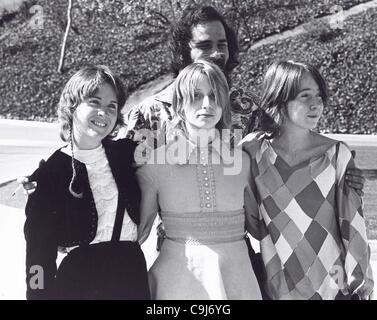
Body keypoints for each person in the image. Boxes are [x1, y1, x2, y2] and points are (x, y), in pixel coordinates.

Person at [124, 4, 366, 252]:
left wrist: (339, 169)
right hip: (177, 251)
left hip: (237, 248)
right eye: (205, 46)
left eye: (222, 44)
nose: (217, 53)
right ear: (183, 52)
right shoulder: (149, 115)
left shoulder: (247, 108)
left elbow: (288, 154)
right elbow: (125, 185)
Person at [242, 60, 374, 300]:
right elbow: (252, 221)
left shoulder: (336, 155)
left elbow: (353, 227)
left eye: (319, 96)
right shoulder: (253, 153)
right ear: (280, 99)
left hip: (335, 286)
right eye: (305, 96)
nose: (316, 104)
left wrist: (361, 287)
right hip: (279, 287)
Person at [136, 60, 262, 299]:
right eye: (195, 95)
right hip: (176, 284)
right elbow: (136, 235)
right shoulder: (154, 166)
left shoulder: (244, 163)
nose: (207, 104)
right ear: (179, 106)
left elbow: (262, 229)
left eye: (214, 96)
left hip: (237, 282)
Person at [24, 65, 150, 300]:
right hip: (79, 285)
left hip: (132, 278)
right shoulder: (50, 174)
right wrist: (37, 295)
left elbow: (176, 151)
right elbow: (37, 257)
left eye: (112, 106)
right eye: (94, 102)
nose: (104, 112)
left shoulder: (126, 154)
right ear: (72, 106)